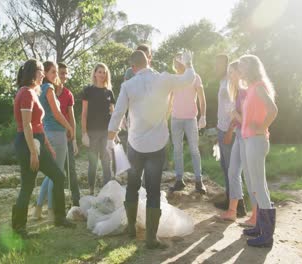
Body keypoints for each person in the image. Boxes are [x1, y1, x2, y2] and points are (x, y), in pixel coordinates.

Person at [107, 50, 196, 249]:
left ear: (133, 68)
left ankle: (131, 228)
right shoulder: (163, 79)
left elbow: (118, 114)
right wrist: (189, 63)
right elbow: (189, 79)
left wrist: (109, 141)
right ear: (148, 61)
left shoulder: (128, 85)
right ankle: (150, 239)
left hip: (135, 145)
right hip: (157, 144)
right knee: (154, 191)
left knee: (132, 185)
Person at [12, 59, 74, 239]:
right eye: (40, 71)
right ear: (33, 73)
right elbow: (26, 126)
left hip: (38, 141)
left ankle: (60, 218)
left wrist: (47, 146)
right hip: (27, 143)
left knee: (58, 175)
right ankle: (19, 228)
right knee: (28, 185)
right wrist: (33, 152)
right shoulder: (25, 93)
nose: (42, 74)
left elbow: (38, 124)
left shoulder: (33, 92)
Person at [238, 55, 278, 248]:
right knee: (257, 184)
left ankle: (266, 236)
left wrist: (262, 128)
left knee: (259, 186)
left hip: (256, 140)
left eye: (243, 65)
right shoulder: (252, 88)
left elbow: (273, 109)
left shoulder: (259, 86)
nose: (240, 68)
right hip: (250, 140)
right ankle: (261, 227)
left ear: (253, 67)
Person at [32, 61, 74, 220]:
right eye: (53, 72)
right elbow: (56, 113)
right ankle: (51, 212)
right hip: (56, 133)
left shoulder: (39, 89)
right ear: (46, 74)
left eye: (57, 72)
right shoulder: (49, 89)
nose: (56, 75)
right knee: (57, 174)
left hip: (47, 133)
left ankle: (37, 209)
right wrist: (69, 127)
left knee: (51, 174)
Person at [218, 61, 255, 224]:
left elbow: (248, 120)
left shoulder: (246, 91)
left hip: (246, 136)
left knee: (249, 175)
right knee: (233, 172)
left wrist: (233, 115)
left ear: (239, 73)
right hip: (239, 134)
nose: (229, 75)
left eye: (231, 72)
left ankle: (256, 214)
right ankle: (232, 211)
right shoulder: (236, 91)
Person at [169, 55, 207, 194]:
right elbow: (170, 100)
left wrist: (203, 116)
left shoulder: (195, 77)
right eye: (175, 60)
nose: (177, 62)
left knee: (194, 149)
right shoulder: (173, 79)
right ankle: (179, 180)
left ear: (185, 62)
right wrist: (165, 116)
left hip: (191, 119)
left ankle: (199, 181)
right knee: (177, 150)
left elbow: (202, 99)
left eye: (180, 59)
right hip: (175, 119)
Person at [81, 63, 115, 195]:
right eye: (99, 72)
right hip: (92, 133)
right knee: (93, 164)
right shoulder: (88, 90)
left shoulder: (109, 92)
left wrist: (114, 134)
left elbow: (113, 114)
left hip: (106, 133)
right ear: (95, 74)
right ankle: (91, 191)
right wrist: (84, 133)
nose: (102, 74)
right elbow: (84, 114)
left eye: (104, 72)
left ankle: (107, 192)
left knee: (107, 162)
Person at [214, 54, 237, 211]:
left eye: (217, 65)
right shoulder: (222, 82)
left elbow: (234, 108)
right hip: (222, 129)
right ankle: (230, 200)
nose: (215, 68)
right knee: (225, 167)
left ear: (224, 65)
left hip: (230, 131)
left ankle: (236, 205)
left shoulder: (229, 82)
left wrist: (230, 130)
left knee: (232, 169)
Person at [58, 62, 81, 206]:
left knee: (71, 170)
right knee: (56, 171)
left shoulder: (68, 94)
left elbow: (71, 118)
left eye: (66, 73)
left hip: (66, 138)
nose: (64, 76)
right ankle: (56, 202)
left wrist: (74, 140)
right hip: (52, 137)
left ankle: (76, 202)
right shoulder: (46, 91)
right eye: (61, 73)